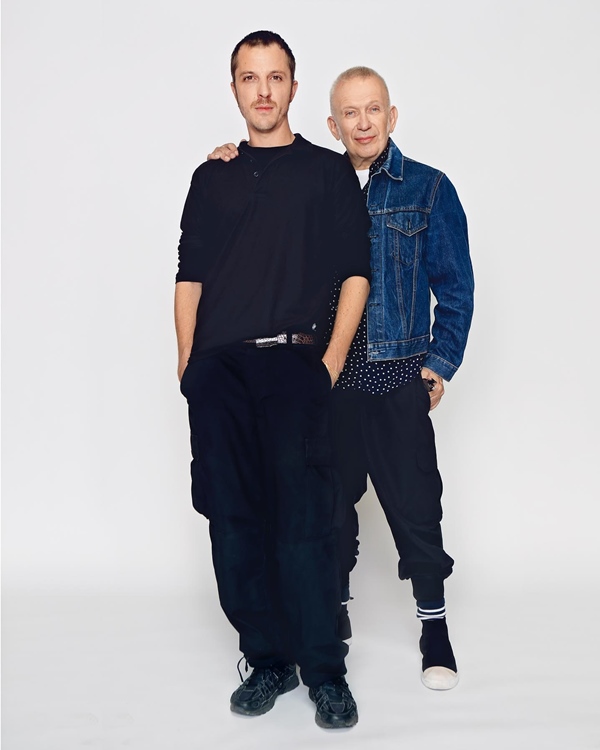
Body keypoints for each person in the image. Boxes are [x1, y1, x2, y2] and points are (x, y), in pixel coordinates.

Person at [208, 66, 474, 691]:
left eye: (372, 110)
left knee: (414, 506)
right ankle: (335, 612)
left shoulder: (429, 189)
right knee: (327, 509)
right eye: (349, 114)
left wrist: (436, 368)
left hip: (393, 375)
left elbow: (455, 289)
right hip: (324, 380)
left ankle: (434, 626)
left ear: (391, 116)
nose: (362, 123)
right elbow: (259, 195)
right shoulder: (316, 183)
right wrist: (225, 158)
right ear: (331, 124)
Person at [175, 32, 371, 729]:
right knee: (233, 524)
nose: (263, 90)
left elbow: (355, 273)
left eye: (275, 77)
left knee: (304, 525)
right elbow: (188, 277)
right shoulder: (213, 177)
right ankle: (266, 660)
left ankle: (324, 671)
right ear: (233, 88)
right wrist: (188, 367)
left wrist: (329, 364)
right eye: (249, 77)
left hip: (294, 366)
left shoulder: (326, 173)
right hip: (220, 374)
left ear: (293, 87)